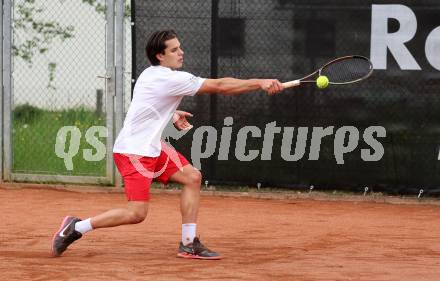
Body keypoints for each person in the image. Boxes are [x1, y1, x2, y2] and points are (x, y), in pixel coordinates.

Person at [52, 29, 284, 259]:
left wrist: (171, 114)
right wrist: (260, 82)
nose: (181, 52)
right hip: (134, 152)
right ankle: (76, 227)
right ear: (160, 56)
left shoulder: (150, 74)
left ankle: (188, 243)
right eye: (174, 50)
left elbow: (149, 104)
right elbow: (222, 86)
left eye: (179, 47)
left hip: (152, 146)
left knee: (192, 177)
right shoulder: (170, 78)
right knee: (137, 213)